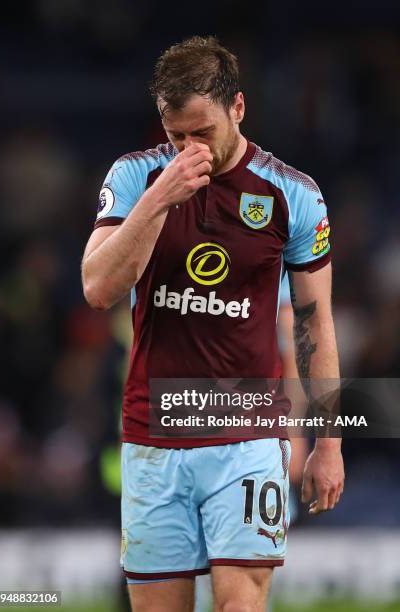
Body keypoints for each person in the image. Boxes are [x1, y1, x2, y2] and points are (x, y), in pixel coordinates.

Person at [82, 36, 345, 612]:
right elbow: (98, 288)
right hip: (153, 434)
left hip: (247, 434)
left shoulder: (292, 194)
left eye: (202, 133)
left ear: (238, 108)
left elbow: (313, 325)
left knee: (239, 606)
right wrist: (159, 199)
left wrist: (328, 440)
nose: (189, 147)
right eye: (177, 135)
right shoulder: (136, 176)